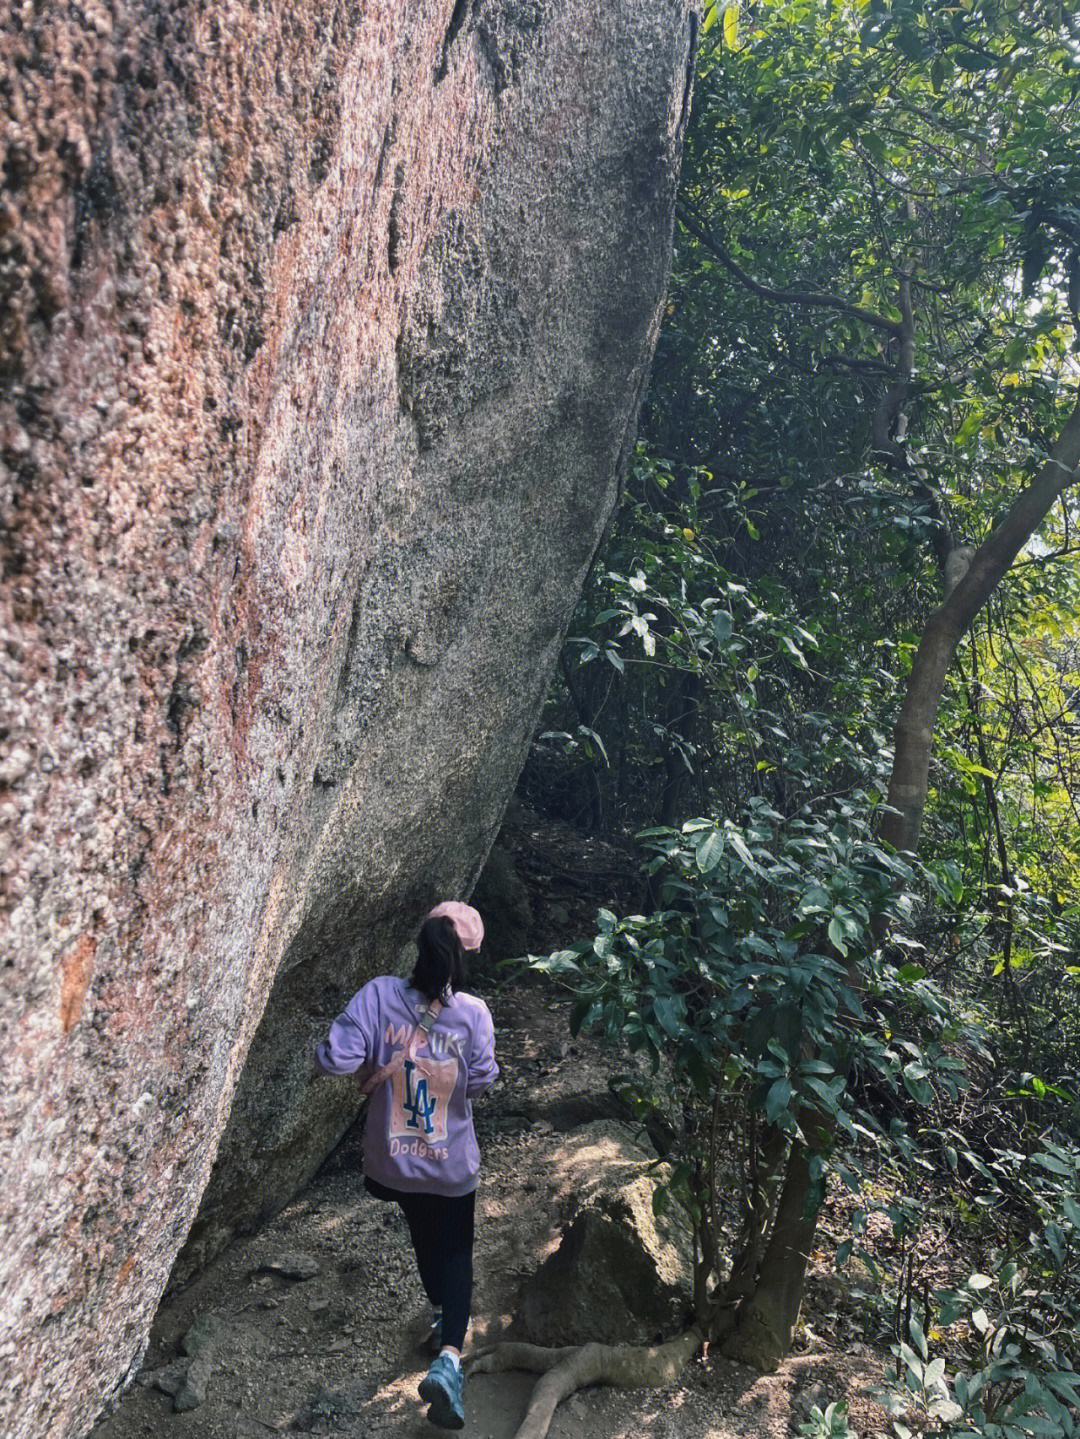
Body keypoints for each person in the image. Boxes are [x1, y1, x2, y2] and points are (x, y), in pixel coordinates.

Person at [312, 901, 497, 1430]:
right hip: (451, 1162)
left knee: (421, 1224)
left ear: (422, 946)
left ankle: (442, 1307)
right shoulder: (474, 1014)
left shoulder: (378, 996)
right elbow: (482, 1079)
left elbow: (337, 1059)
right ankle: (449, 1360)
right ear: (464, 962)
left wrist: (335, 1056)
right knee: (457, 1247)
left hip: (393, 1162)